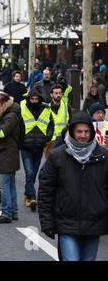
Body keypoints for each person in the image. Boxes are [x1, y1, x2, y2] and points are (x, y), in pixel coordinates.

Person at [39, 111, 108, 261]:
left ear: (91, 132)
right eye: (79, 131)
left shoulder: (103, 156)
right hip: (66, 222)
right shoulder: (57, 156)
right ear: (71, 132)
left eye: (86, 131)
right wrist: (46, 222)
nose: (83, 135)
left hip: (94, 222)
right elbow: (46, 191)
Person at [19, 89, 54, 211]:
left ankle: (27, 195)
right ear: (28, 99)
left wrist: (47, 138)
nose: (34, 101)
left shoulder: (46, 109)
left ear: (39, 99)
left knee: (33, 174)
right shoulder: (22, 108)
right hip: (26, 147)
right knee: (29, 172)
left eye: (36, 99)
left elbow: (51, 125)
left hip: (39, 147)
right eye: (32, 99)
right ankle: (33, 198)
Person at [0, 92, 21, 223]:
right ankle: (13, 211)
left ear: (3, 104)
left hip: (7, 154)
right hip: (7, 153)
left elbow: (2, 133)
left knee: (4, 185)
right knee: (10, 184)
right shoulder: (9, 114)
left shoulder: (11, 116)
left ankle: (7, 213)